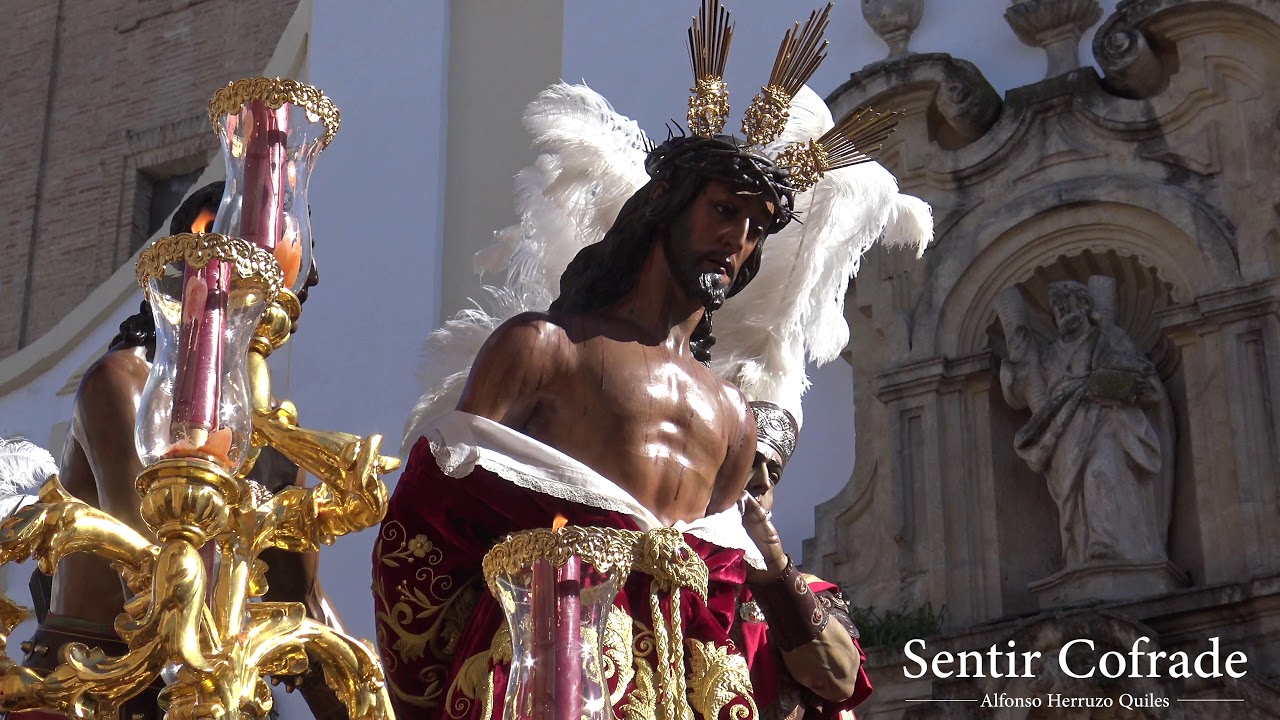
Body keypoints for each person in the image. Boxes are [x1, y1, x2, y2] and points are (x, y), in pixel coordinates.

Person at [9, 183, 343, 720]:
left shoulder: (275, 437)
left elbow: (303, 607)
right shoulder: (121, 385)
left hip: (207, 694)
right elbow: (152, 579)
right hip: (87, 693)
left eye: (288, 287)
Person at [997, 279, 1173, 569]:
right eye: (1058, 308)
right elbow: (1026, 388)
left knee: (1100, 473)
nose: (1064, 312)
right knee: (1073, 495)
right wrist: (1017, 368)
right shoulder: (1050, 353)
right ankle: (1079, 553)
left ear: (1086, 306)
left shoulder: (1110, 339)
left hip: (1109, 422)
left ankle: (1107, 546)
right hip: (1065, 431)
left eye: (1069, 304)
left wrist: (1116, 381)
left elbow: (1146, 382)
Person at [737, 400, 872, 719]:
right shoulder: (669, 564)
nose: (764, 481)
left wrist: (776, 574)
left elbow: (841, 679)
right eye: (749, 462)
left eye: (775, 473)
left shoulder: (813, 590)